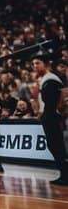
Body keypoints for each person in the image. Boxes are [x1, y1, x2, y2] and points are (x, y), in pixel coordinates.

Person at [31, 56, 66, 186]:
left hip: (51, 116)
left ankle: (65, 175)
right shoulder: (44, 80)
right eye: (33, 64)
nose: (35, 66)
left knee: (56, 145)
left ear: (46, 64)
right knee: (54, 145)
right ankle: (63, 174)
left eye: (37, 63)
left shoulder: (50, 79)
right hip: (49, 115)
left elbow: (51, 101)